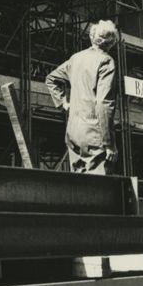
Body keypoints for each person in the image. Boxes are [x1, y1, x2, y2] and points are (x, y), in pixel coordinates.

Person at [46, 20, 119, 175]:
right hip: (94, 134)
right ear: (111, 42)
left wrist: (63, 103)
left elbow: (51, 79)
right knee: (98, 189)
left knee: (79, 185)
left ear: (92, 37)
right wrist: (108, 143)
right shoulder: (106, 61)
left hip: (73, 132)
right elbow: (104, 104)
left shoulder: (76, 58)